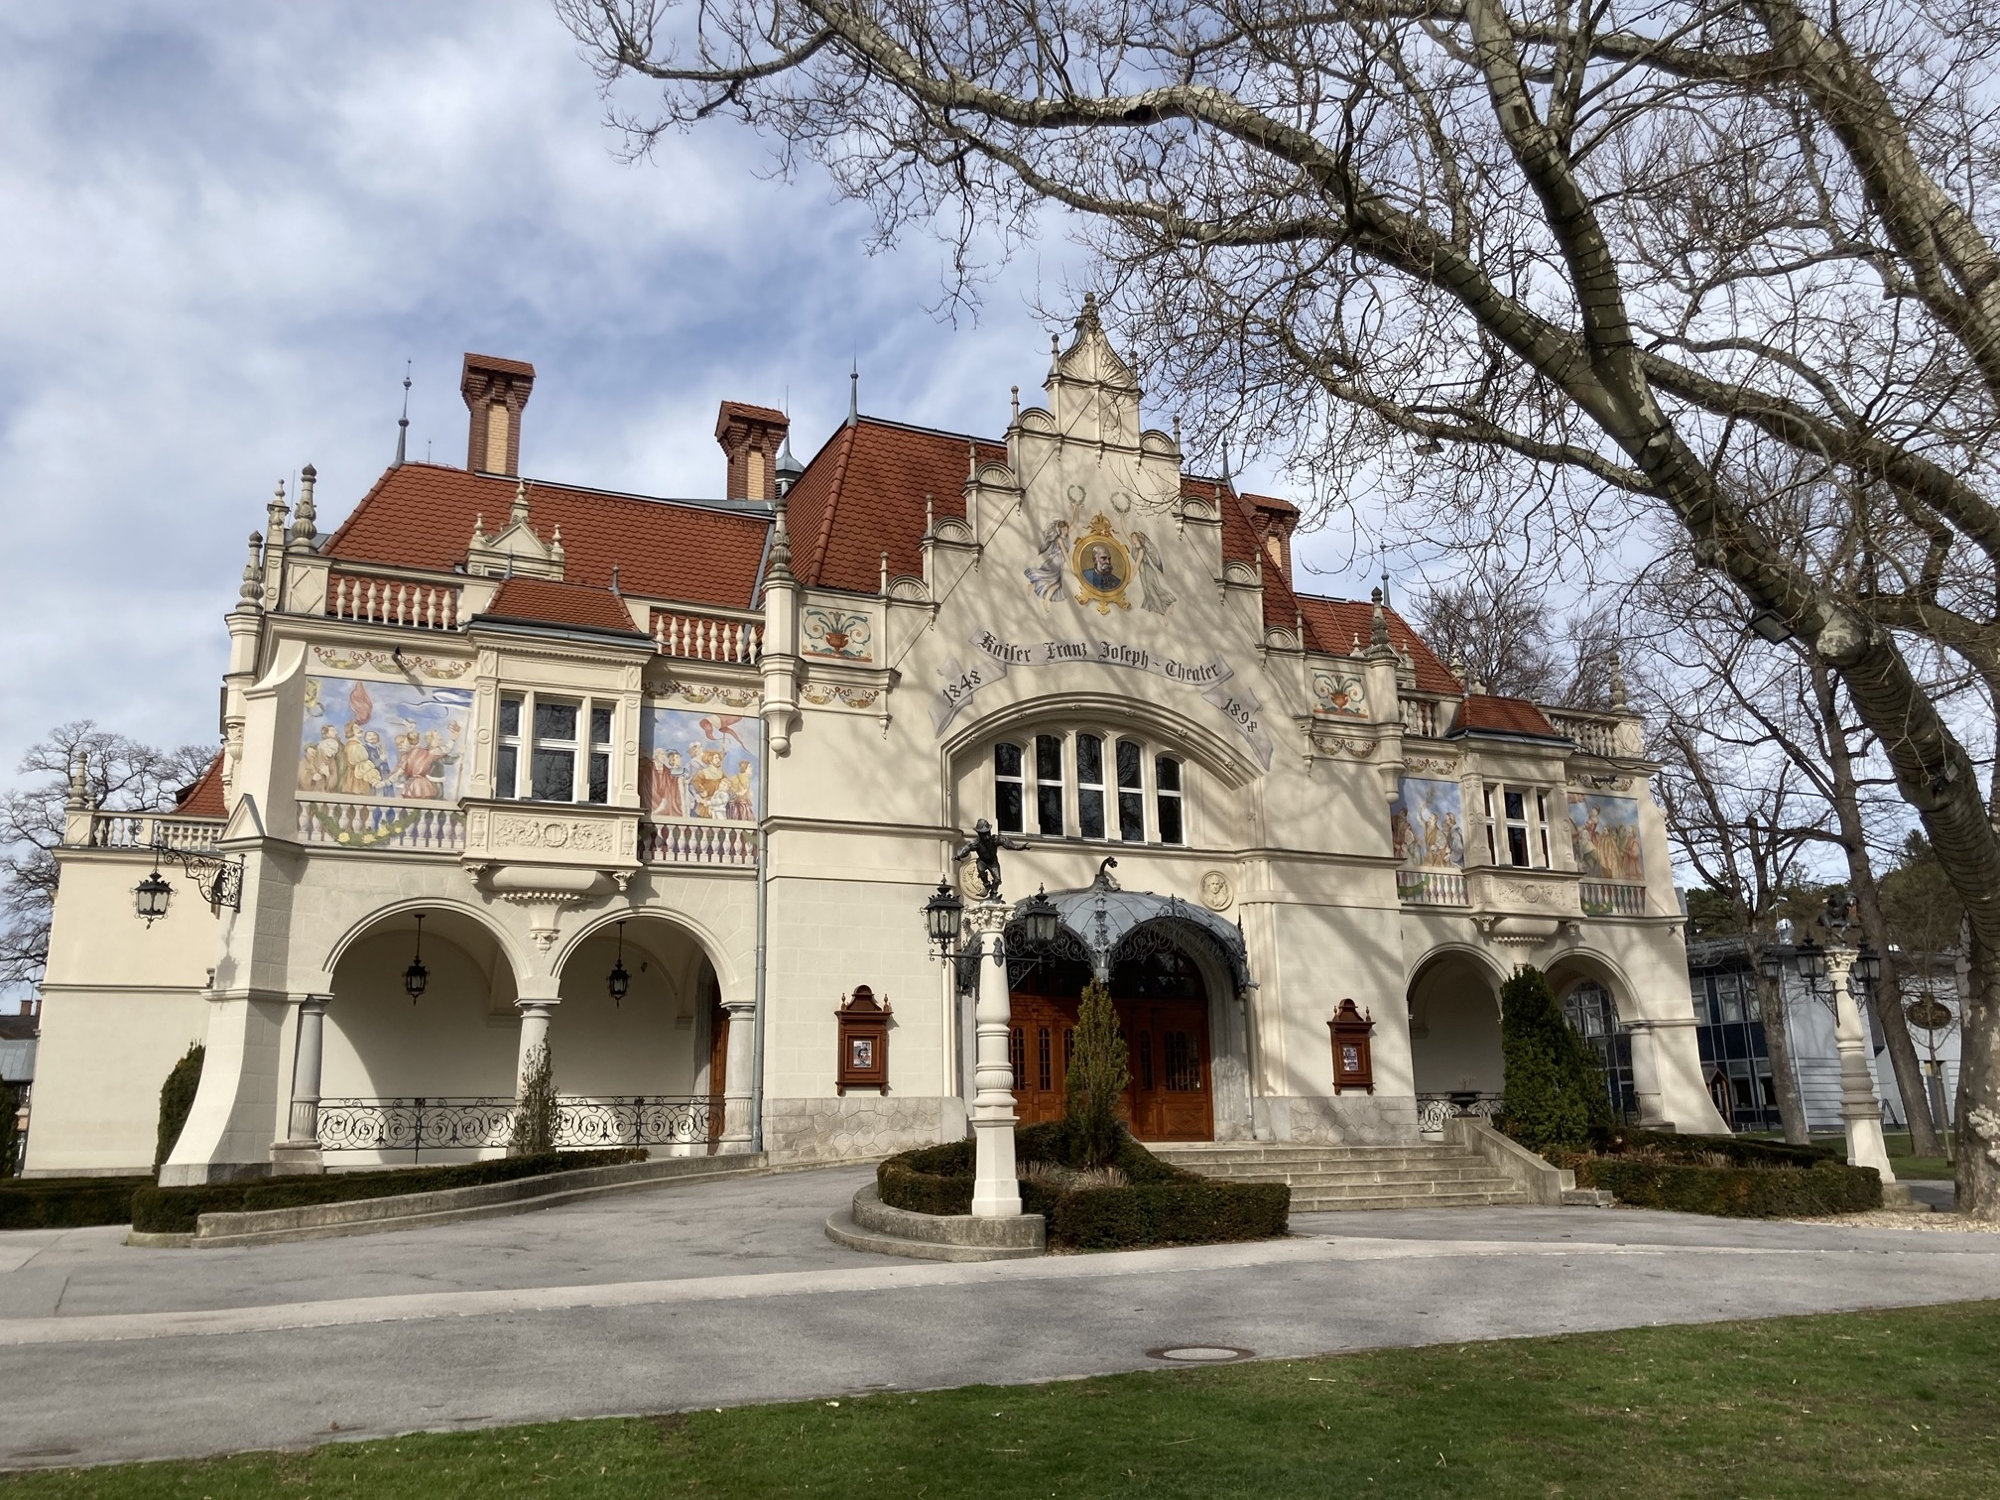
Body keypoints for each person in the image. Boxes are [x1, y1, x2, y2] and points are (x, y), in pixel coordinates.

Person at [953, 817, 1030, 901]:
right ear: (979, 834)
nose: (986, 837)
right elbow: (965, 849)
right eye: (984, 834)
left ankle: (993, 893)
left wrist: (1019, 847)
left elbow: (1006, 842)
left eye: (987, 833)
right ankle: (987, 885)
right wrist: (959, 856)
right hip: (982, 861)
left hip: (993, 862)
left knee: (998, 880)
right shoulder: (976, 843)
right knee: (981, 870)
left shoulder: (995, 839)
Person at [1024, 518, 1070, 602]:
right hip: (1056, 561)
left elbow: (1074, 522)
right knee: (1054, 581)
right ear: (1059, 530)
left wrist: (1076, 510)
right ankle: (1043, 597)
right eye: (1063, 529)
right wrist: (1071, 566)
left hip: (1058, 562)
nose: (1065, 530)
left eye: (1066, 528)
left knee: (1054, 582)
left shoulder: (1065, 537)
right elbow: (1065, 553)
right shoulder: (1060, 539)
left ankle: (1034, 587)